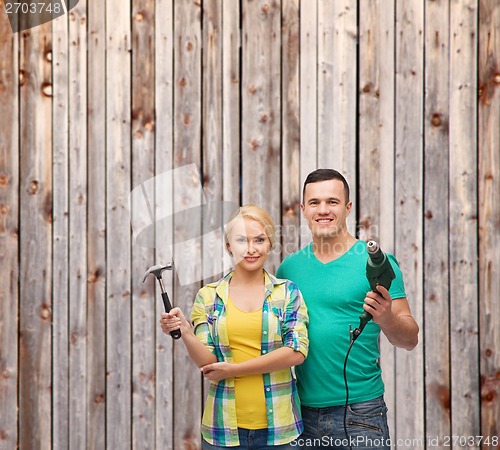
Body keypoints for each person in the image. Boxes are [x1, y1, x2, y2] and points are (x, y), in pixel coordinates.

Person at [276, 169, 419, 450]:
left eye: (332, 201)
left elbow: (410, 339)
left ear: (348, 207)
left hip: (361, 413)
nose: (323, 210)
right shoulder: (288, 269)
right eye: (315, 203)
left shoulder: (376, 263)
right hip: (299, 415)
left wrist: (386, 317)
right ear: (303, 210)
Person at [160, 204, 309, 450]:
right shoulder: (208, 297)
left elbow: (296, 351)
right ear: (229, 246)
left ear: (269, 244)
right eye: (241, 240)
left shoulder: (287, 292)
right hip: (223, 432)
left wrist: (234, 370)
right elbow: (207, 361)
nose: (250, 249)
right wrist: (185, 331)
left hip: (281, 432)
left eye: (259, 240)